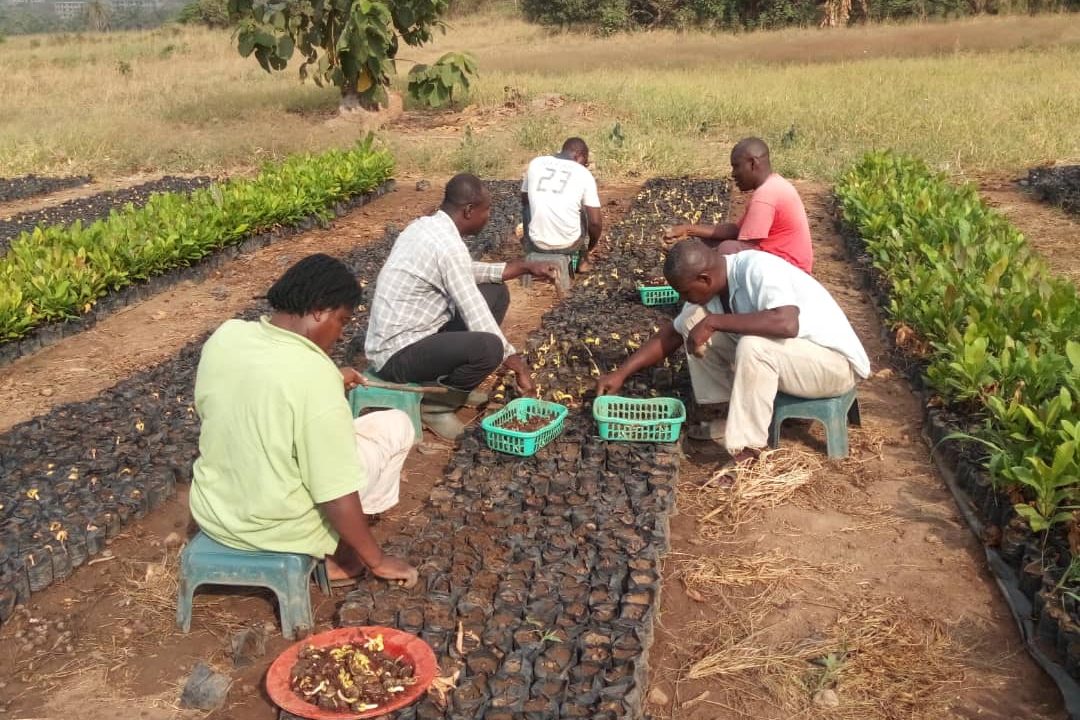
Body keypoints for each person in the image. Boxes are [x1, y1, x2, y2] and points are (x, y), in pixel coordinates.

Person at [190, 254, 418, 588]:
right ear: (319, 310)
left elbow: (251, 397)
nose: (340, 334)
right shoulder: (314, 375)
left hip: (215, 514)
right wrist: (379, 561)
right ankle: (343, 558)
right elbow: (336, 492)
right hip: (278, 529)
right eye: (341, 320)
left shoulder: (227, 336)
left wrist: (328, 381)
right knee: (395, 425)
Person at [596, 240, 870, 464]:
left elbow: (787, 322)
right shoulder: (714, 289)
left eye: (685, 292)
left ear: (704, 278)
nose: (683, 298)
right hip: (797, 361)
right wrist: (621, 374)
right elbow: (671, 334)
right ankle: (727, 414)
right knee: (693, 323)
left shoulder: (756, 268)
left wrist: (715, 322)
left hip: (834, 366)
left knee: (753, 345)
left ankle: (748, 450)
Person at [365, 174, 558, 441]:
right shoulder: (447, 246)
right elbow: (475, 312)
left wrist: (523, 266)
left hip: (418, 333)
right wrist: (518, 365)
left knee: (496, 291)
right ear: (468, 210)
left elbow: (464, 271)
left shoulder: (427, 226)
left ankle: (448, 386)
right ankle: (436, 407)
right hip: (395, 353)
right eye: (486, 210)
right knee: (489, 347)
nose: (488, 216)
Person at [663, 137, 813, 274]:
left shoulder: (765, 196)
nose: (733, 174)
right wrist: (688, 230)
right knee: (714, 244)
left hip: (791, 272)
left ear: (753, 163)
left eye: (736, 166)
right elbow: (736, 230)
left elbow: (742, 250)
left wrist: (687, 255)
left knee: (726, 249)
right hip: (785, 264)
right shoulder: (774, 185)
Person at [520, 137, 604, 273]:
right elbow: (595, 223)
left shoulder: (536, 163)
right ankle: (583, 259)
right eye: (585, 162)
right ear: (579, 156)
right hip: (569, 244)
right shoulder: (583, 173)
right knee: (583, 211)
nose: (584, 165)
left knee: (527, 207)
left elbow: (524, 200)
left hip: (536, 242)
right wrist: (590, 247)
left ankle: (527, 244)